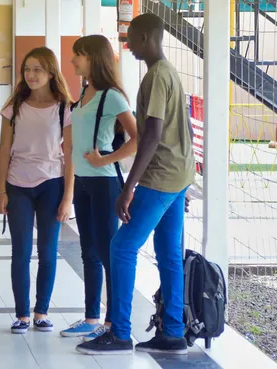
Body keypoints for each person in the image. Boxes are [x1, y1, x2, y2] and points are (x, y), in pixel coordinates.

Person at [75, 13, 196, 355]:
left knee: (122, 247)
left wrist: (129, 188)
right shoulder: (168, 72)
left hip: (160, 178)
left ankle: (120, 331)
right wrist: (180, 186)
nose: (127, 43)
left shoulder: (157, 76)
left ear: (147, 38)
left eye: (131, 37)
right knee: (169, 254)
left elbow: (153, 134)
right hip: (177, 176)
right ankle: (172, 332)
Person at [60, 35, 138, 342]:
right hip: (83, 182)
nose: (73, 61)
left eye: (78, 56)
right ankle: (92, 317)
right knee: (88, 252)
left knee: (108, 253)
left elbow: (138, 139)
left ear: (94, 57)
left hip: (105, 183)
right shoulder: (83, 92)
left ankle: (113, 322)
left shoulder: (112, 97)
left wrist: (107, 158)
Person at [0, 47, 74, 334]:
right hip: (18, 185)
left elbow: (71, 153)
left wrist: (68, 196)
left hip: (52, 184)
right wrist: (0, 191)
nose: (31, 74)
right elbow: (3, 150)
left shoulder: (65, 106)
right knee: (21, 251)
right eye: (27, 69)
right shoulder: (14, 106)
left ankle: (41, 311)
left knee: (48, 252)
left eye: (38, 69)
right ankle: (22, 315)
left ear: (51, 72)